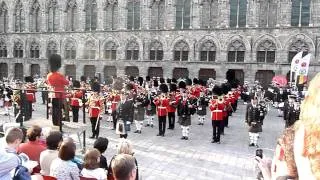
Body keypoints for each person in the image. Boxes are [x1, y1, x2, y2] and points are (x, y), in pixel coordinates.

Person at [46, 54, 69, 126]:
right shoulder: (59, 75)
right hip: (60, 94)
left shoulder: (49, 75)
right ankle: (59, 122)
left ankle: (54, 122)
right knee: (59, 109)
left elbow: (48, 82)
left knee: (54, 109)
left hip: (53, 94)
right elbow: (66, 82)